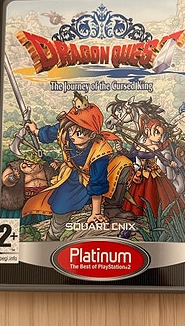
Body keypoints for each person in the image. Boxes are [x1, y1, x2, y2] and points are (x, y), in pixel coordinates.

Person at [22, 102, 134, 240]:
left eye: (78, 133)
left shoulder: (100, 151)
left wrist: (96, 213)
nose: (72, 135)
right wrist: (35, 131)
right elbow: (52, 132)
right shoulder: (67, 132)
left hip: (97, 178)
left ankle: (112, 209)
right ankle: (53, 235)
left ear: (92, 135)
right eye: (71, 130)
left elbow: (97, 181)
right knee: (61, 206)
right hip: (73, 177)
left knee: (123, 163)